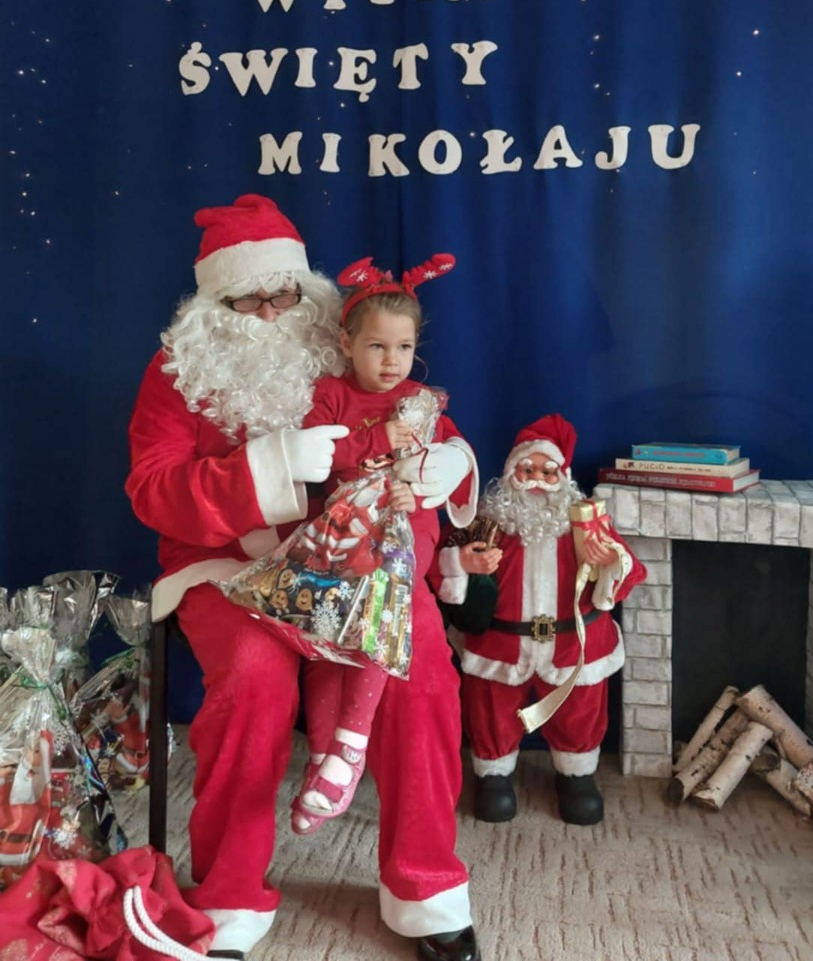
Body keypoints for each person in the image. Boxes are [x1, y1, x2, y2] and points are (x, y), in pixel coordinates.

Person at [125, 193, 483, 961]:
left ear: (307, 289)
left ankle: (424, 886)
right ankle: (229, 892)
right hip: (229, 564)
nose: (270, 311)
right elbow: (152, 489)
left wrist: (453, 461)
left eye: (284, 293)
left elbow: (416, 415)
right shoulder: (179, 370)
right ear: (213, 304)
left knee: (420, 662)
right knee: (254, 678)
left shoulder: (344, 342)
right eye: (248, 298)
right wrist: (267, 468)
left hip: (355, 563)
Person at [291, 252, 473, 830]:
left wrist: (418, 485)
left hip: (401, 527)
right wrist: (375, 438)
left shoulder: (423, 401)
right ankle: (321, 758)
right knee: (324, 638)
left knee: (380, 609)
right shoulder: (330, 395)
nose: (392, 360)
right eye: (376, 346)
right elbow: (315, 461)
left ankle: (350, 744)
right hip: (341, 527)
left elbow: (450, 462)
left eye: (404, 346)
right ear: (347, 343)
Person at [434, 414, 646, 825]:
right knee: (491, 708)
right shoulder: (485, 523)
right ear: (509, 474)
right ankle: (494, 775)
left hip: (571, 645)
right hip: (500, 646)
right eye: (526, 470)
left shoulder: (585, 527)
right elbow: (436, 561)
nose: (536, 480)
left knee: (579, 709)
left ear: (562, 478)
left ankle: (577, 776)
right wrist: (462, 562)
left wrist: (609, 562)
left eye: (547, 472)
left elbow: (630, 570)